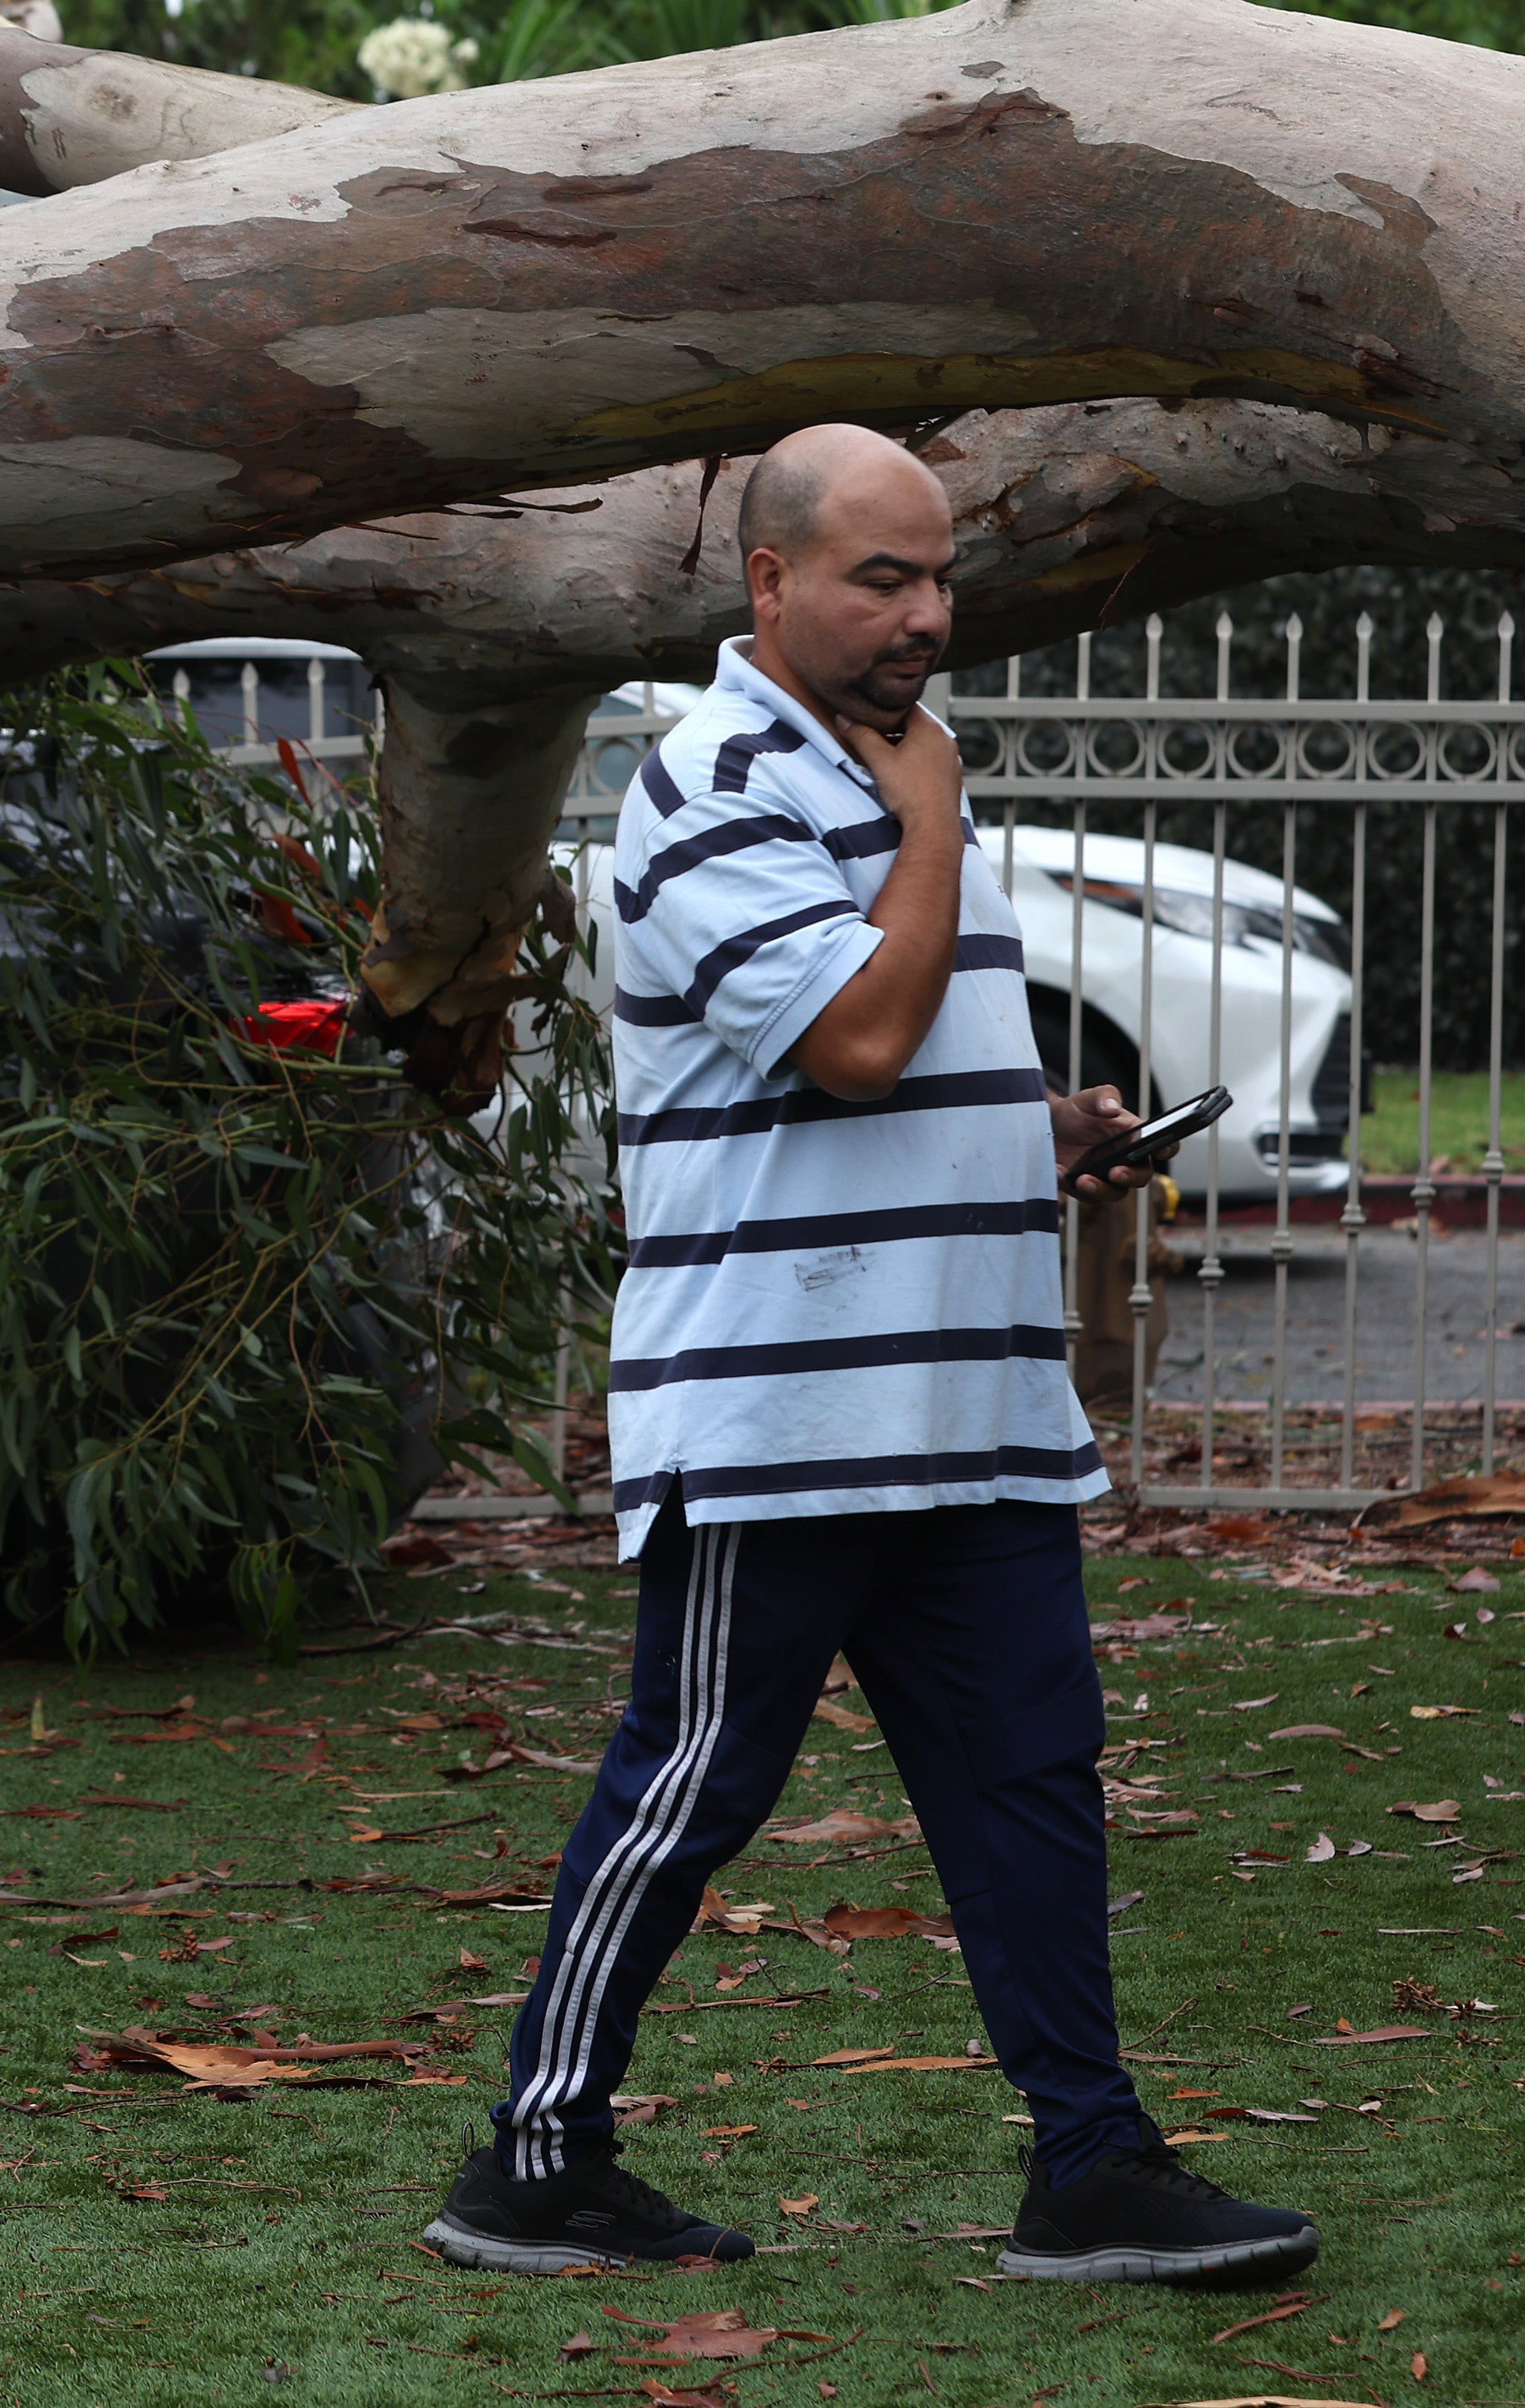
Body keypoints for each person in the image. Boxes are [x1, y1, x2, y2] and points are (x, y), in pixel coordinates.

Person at [418, 423, 1319, 2289]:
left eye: (940, 576)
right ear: (770, 585)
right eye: (880, 579)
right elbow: (853, 1044)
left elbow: (902, 1058)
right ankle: (536, 2153)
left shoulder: (896, 767)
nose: (926, 615)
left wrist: (1042, 1125)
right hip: (786, 1414)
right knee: (692, 1787)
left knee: (1031, 1779)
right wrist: (933, 820)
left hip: (973, 1410)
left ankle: (1091, 2162)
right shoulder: (718, 779)